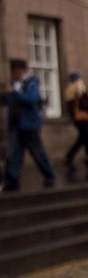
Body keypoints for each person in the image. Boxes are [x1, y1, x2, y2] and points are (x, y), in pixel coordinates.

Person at [1, 58, 57, 191]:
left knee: (38, 152)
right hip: (16, 124)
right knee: (13, 154)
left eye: (17, 72)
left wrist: (14, 92)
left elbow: (32, 99)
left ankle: (49, 175)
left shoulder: (32, 82)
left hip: (30, 124)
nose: (15, 75)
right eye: (13, 72)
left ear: (23, 70)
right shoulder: (12, 84)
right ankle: (12, 180)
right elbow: (6, 102)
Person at [63, 71, 88, 174]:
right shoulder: (79, 89)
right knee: (84, 138)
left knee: (85, 138)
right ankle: (72, 156)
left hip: (77, 119)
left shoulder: (69, 91)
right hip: (82, 118)